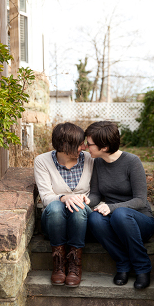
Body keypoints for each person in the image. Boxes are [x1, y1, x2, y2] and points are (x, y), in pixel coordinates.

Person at [85, 121, 154, 290]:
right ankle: (122, 263)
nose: (87, 147)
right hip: (115, 220)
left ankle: (142, 267)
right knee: (94, 218)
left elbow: (140, 200)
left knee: (121, 214)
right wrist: (86, 200)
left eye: (89, 144)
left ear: (104, 146)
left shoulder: (132, 161)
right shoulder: (98, 163)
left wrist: (113, 207)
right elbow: (96, 194)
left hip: (140, 222)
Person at [33, 122, 94, 287]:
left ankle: (74, 265)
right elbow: (45, 197)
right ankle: (58, 264)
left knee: (78, 207)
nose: (84, 147)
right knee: (54, 206)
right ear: (65, 145)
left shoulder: (89, 159)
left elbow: (96, 192)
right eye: (79, 144)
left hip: (81, 219)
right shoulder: (42, 161)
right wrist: (63, 197)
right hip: (54, 219)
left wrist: (82, 199)